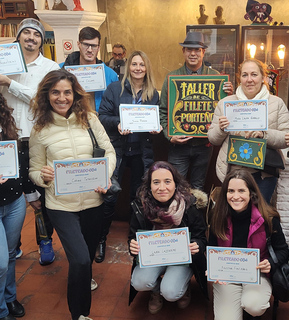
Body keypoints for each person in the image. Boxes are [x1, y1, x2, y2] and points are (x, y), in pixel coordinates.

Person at [28, 69, 116, 320]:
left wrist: (105, 176)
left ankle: (83, 280)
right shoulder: (39, 129)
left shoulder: (89, 119)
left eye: (67, 91)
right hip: (60, 205)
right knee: (78, 260)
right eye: (55, 92)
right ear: (47, 95)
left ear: (75, 94)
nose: (62, 97)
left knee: (86, 258)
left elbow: (109, 152)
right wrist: (42, 176)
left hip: (93, 201)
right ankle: (80, 314)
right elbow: (34, 170)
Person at [0, 18, 59, 266]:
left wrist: (9, 83)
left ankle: (44, 241)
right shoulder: (3, 61)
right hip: (7, 139)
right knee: (11, 194)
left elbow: (41, 99)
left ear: (41, 41)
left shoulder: (50, 66)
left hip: (36, 137)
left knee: (38, 195)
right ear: (18, 37)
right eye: (27, 33)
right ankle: (14, 246)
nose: (31, 37)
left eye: (37, 34)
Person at [97, 50, 161, 263]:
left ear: (147, 68)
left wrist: (155, 127)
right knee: (110, 194)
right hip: (118, 149)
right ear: (128, 67)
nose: (138, 68)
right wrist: (118, 123)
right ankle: (100, 239)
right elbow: (102, 116)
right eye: (134, 64)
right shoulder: (115, 89)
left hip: (141, 152)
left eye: (142, 65)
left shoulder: (153, 93)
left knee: (139, 195)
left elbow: (157, 118)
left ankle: (135, 238)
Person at [208, 58, 289, 203]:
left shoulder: (276, 103)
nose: (249, 79)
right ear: (239, 78)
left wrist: (264, 134)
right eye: (245, 75)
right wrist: (221, 129)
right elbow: (213, 139)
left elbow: (287, 138)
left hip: (263, 174)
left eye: (254, 74)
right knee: (235, 218)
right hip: (233, 172)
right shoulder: (225, 104)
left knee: (259, 217)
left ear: (263, 77)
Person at [127, 161, 208, 314]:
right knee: (139, 282)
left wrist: (197, 245)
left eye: (167, 182)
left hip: (182, 260)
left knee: (171, 292)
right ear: (149, 185)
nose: (162, 187)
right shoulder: (140, 206)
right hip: (154, 257)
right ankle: (156, 290)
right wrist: (132, 246)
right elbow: (132, 237)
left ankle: (183, 288)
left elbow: (201, 237)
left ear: (176, 184)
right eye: (156, 182)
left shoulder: (189, 205)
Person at [208, 169, 289, 319]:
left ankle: (246, 304)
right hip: (227, 277)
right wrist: (212, 268)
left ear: (251, 193)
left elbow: (283, 251)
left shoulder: (268, 218)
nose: (235, 196)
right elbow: (211, 249)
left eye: (241, 191)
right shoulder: (217, 216)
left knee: (254, 305)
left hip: (257, 275)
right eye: (230, 191)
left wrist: (270, 263)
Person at [159, 31, 233, 190]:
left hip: (204, 146)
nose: (193, 53)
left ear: (203, 52)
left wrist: (230, 96)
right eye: (189, 49)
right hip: (178, 146)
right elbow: (162, 112)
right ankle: (179, 216)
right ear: (183, 51)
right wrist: (169, 135)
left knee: (198, 189)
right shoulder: (171, 78)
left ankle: (194, 216)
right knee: (175, 188)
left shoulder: (216, 77)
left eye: (197, 50)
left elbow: (225, 112)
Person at [0, 93, 41, 320]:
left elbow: (21, 162)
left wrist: (30, 194)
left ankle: (9, 297)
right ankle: (2, 310)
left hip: (14, 202)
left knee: (10, 256)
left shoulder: (7, 125)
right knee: (0, 262)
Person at [60, 26, 118, 112]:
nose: (90, 50)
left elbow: (115, 105)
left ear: (98, 47)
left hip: (99, 122)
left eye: (94, 46)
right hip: (71, 121)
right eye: (86, 45)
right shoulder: (61, 69)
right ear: (78, 44)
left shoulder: (110, 75)